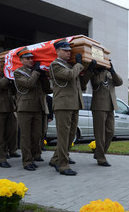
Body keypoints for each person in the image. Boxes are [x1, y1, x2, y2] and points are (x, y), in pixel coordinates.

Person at [48, 39, 88, 175]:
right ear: (57, 51)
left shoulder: (70, 65)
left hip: (74, 104)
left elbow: (81, 86)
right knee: (63, 135)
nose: (68, 53)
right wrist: (78, 64)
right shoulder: (55, 65)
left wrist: (86, 69)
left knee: (71, 135)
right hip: (63, 104)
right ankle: (62, 165)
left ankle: (55, 159)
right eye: (65, 50)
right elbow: (70, 76)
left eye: (69, 50)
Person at [14, 47, 51, 171]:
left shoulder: (37, 73)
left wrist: (43, 77)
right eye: (27, 59)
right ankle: (26, 161)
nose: (31, 60)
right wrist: (36, 73)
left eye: (32, 58)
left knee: (37, 135)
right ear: (21, 60)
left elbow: (48, 90)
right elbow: (29, 84)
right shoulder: (18, 72)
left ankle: (34, 156)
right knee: (25, 136)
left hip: (38, 108)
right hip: (25, 108)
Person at [85, 58, 123, 167]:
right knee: (100, 134)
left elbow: (119, 82)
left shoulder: (110, 73)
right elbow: (96, 83)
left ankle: (98, 153)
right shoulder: (95, 73)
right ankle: (101, 158)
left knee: (110, 131)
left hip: (111, 105)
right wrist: (100, 70)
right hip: (99, 106)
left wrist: (112, 71)